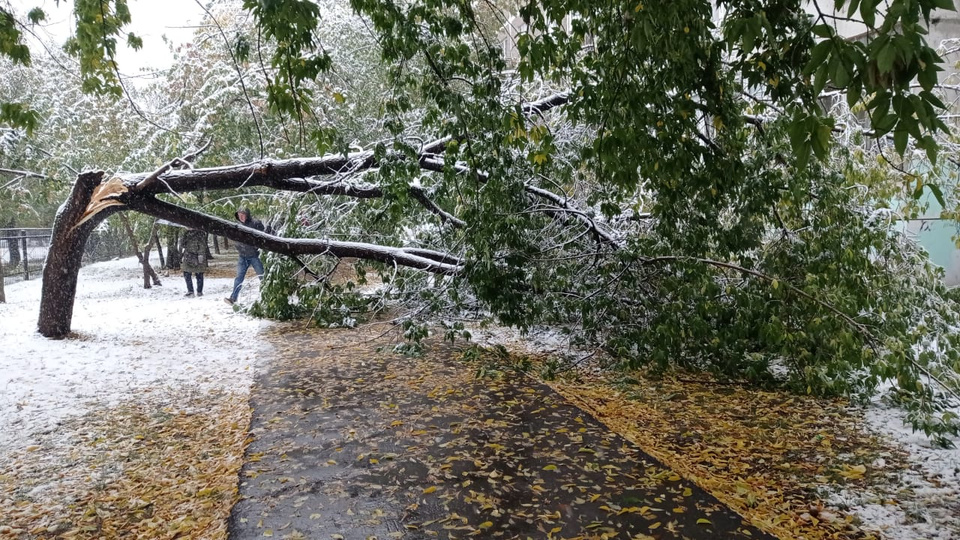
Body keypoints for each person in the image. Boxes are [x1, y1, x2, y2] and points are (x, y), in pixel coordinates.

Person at [225, 207, 265, 305]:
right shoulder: (237, 226)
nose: (241, 217)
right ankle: (233, 298)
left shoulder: (256, 223)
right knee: (239, 278)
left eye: (243, 214)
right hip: (242, 256)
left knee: (262, 276)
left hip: (255, 256)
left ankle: (269, 296)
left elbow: (263, 237)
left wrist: (256, 247)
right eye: (239, 215)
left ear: (247, 215)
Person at [180, 228, 208, 297]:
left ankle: (199, 291)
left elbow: (203, 245)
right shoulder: (186, 233)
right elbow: (182, 244)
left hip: (198, 256)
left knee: (199, 274)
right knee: (186, 274)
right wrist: (185, 233)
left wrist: (200, 254)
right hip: (188, 256)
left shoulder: (201, 233)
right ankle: (190, 291)